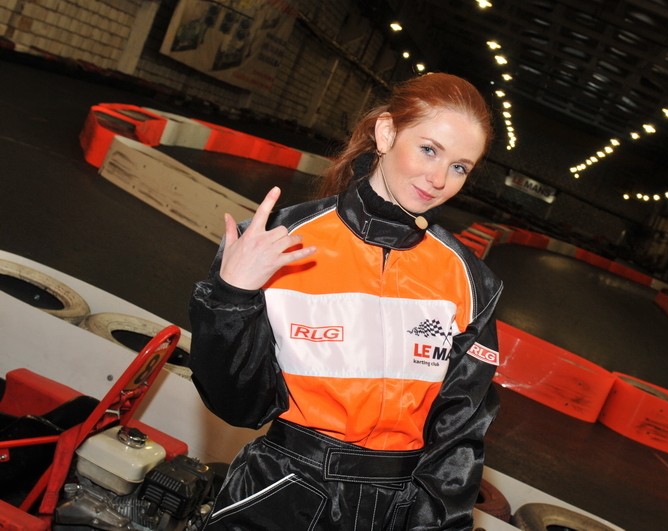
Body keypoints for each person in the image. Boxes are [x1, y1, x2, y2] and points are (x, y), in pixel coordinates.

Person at [188, 72, 503, 531]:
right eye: (429, 150)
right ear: (386, 133)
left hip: (396, 510)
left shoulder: (472, 282)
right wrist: (231, 297)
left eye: (460, 167)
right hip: (280, 492)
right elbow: (237, 406)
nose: (438, 179)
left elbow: (459, 436)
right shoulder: (280, 240)